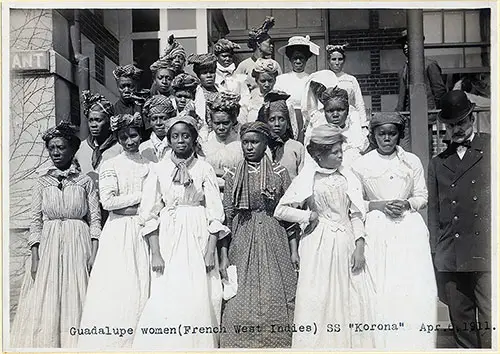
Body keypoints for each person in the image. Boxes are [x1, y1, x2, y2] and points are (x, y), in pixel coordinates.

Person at [274, 124, 375, 349]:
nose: (340, 155)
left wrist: (359, 246)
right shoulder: (308, 177)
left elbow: (356, 213)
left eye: (341, 151)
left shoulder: (348, 177)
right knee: (317, 295)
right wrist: (308, 215)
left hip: (345, 241)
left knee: (348, 295)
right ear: (319, 155)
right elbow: (281, 210)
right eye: (335, 152)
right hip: (317, 243)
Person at [133, 114, 229, 349]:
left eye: (186, 136)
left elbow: (215, 212)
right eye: (175, 136)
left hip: (198, 232)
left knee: (200, 292)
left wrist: (210, 250)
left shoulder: (204, 168)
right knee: (168, 290)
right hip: (169, 234)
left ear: (194, 139)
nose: (181, 141)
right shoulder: (158, 169)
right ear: (169, 140)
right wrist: (155, 252)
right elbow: (149, 213)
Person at [10, 122, 101, 348]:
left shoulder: (85, 182)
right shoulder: (42, 183)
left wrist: (94, 252)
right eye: (51, 148)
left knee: (76, 292)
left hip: (78, 241)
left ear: (72, 149)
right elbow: (35, 220)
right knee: (47, 295)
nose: (56, 152)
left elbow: (95, 220)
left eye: (60, 147)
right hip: (50, 244)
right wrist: (35, 256)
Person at [351, 112, 437, 349]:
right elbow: (357, 204)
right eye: (382, 134)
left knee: (412, 287)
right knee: (383, 289)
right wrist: (380, 205)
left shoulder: (411, 161)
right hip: (378, 229)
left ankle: (414, 344)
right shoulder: (361, 164)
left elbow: (422, 195)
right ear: (373, 135)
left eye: (392, 134)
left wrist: (407, 203)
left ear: (399, 134)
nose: (387, 138)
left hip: (408, 229)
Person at [219, 121, 298, 348]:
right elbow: (228, 215)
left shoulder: (279, 173)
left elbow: (289, 211)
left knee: (278, 290)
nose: (249, 147)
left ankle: (276, 343)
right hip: (243, 236)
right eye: (245, 142)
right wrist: (224, 255)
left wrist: (293, 251)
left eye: (255, 142)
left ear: (266, 144)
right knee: (238, 295)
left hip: (275, 235)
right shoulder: (233, 174)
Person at [78, 113, 150, 349]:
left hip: (143, 229)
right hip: (118, 231)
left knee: (142, 279)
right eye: (124, 137)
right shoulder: (110, 164)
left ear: (140, 135)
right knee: (119, 283)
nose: (130, 141)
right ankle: (112, 343)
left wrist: (140, 207)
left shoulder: (149, 165)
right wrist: (141, 199)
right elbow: (108, 202)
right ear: (118, 138)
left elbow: (155, 201)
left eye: (134, 135)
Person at [428, 90, 491, 348]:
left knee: (491, 319)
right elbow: (433, 212)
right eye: (452, 125)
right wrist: (435, 253)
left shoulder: (490, 147)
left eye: (462, 123)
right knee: (461, 322)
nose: (458, 130)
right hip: (451, 255)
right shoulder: (438, 163)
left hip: (486, 250)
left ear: (472, 119)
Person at [395, 29, 448, 150]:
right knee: (405, 151)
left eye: (408, 42)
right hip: (407, 118)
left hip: (425, 118)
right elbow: (402, 98)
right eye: (403, 43)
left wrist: (435, 114)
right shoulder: (403, 69)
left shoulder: (429, 64)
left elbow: (439, 91)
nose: (405, 46)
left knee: (424, 151)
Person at [304, 85, 368, 168]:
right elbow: (310, 164)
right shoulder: (317, 134)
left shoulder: (357, 135)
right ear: (324, 112)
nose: (335, 115)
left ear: (348, 111)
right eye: (330, 111)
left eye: (340, 110)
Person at [275, 35, 319, 142]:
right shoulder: (281, 79)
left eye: (301, 58)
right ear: (290, 59)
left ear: (306, 59)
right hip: (287, 119)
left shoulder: (312, 79)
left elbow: (314, 104)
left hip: (306, 120)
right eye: (295, 58)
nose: (298, 61)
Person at [75, 91, 121, 188]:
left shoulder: (119, 149)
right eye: (90, 120)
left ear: (109, 122)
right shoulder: (80, 148)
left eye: (98, 120)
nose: (93, 125)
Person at [257, 90, 305, 179]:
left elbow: (302, 178)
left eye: (281, 119)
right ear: (266, 123)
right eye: (272, 119)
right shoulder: (260, 147)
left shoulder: (297, 147)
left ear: (288, 123)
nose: (277, 124)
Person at [203, 91, 244, 192]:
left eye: (225, 123)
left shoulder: (241, 144)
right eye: (217, 123)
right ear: (211, 122)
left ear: (232, 121)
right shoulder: (205, 143)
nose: (221, 128)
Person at [247, 58, 297, 138]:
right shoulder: (249, 100)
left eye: (270, 81)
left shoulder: (284, 100)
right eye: (263, 81)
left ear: (274, 80)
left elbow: (293, 129)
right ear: (257, 81)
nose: (267, 84)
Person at [326, 43, 368, 135]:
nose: (337, 63)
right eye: (333, 59)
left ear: (344, 61)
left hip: (349, 118)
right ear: (328, 61)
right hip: (330, 118)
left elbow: (359, 102)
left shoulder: (351, 79)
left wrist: (363, 124)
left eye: (340, 59)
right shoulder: (323, 78)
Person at [235, 16, 282, 91]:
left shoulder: (274, 65)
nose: (271, 46)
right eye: (269, 43)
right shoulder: (243, 66)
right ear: (258, 43)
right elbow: (236, 88)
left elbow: (280, 87)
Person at [213, 38, 250, 125]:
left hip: (237, 114)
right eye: (224, 56)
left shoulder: (238, 76)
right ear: (217, 57)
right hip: (219, 115)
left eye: (229, 56)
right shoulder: (213, 75)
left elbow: (245, 96)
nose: (227, 59)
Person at [188, 53, 220, 140]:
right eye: (204, 73)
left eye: (212, 72)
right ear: (198, 75)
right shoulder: (194, 94)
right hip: (202, 135)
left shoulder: (222, 90)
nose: (209, 76)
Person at [139, 95, 177, 163]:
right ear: (149, 121)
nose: (159, 123)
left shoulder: (177, 145)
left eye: (163, 118)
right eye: (154, 119)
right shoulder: (143, 147)